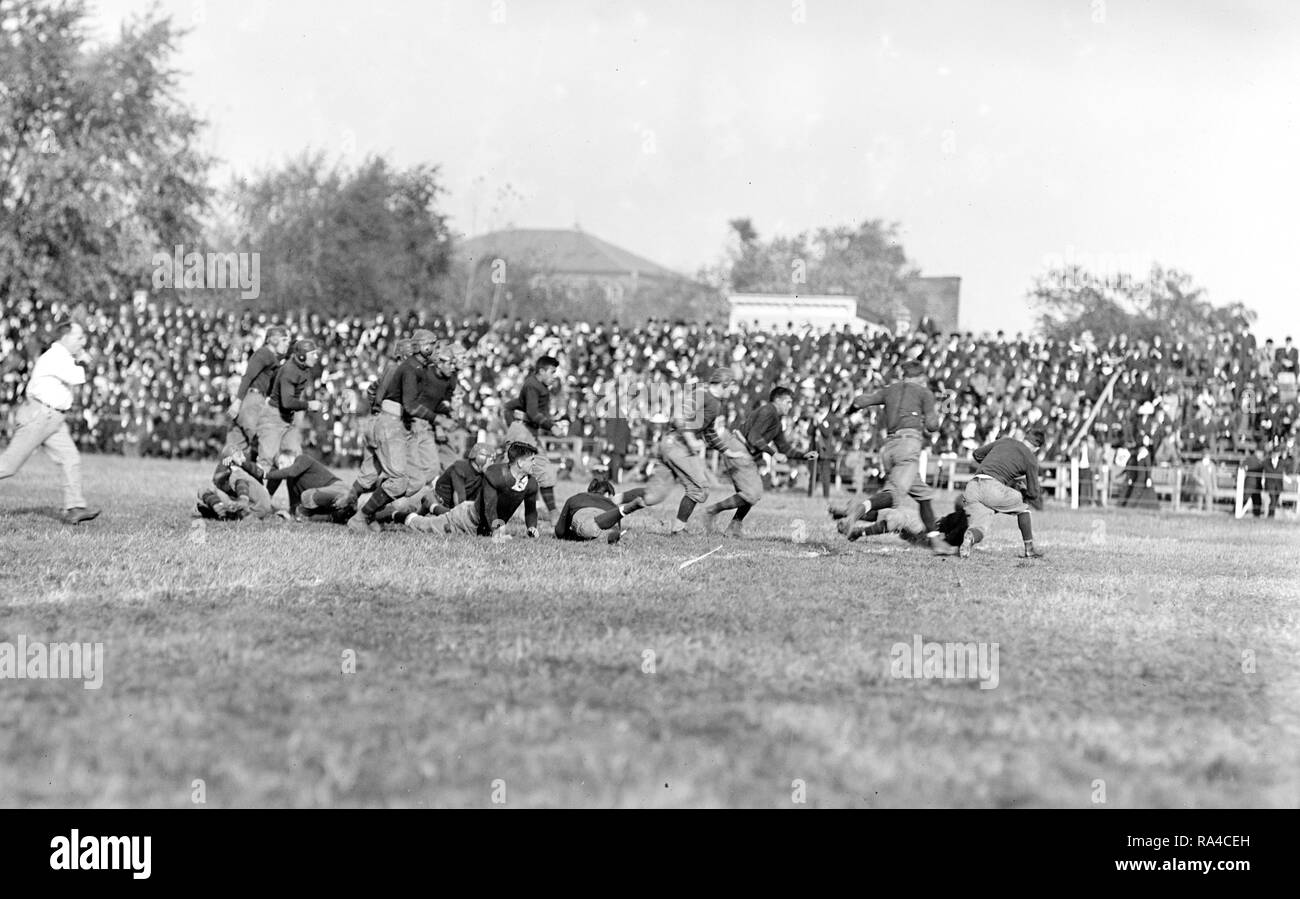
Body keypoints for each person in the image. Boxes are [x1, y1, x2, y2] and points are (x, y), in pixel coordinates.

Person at [0, 319, 100, 523]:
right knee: (8, 466)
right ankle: (75, 507)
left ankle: (75, 507)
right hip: (40, 416)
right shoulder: (56, 356)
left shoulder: (62, 356)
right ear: (65, 337)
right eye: (78, 337)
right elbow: (79, 377)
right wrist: (86, 358)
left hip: (52, 418)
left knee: (70, 458)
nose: (83, 341)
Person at [617, 367, 734, 535]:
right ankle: (678, 529)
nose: (733, 389)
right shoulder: (701, 394)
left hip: (676, 446)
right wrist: (690, 439)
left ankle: (611, 502)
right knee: (699, 488)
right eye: (732, 385)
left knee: (653, 497)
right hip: (677, 445)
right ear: (725, 383)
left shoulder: (715, 403)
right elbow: (679, 417)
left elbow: (709, 432)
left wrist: (726, 451)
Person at [840, 359, 940, 533]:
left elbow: (861, 401)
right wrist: (933, 420)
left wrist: (850, 410)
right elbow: (932, 425)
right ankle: (857, 511)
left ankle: (936, 540)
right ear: (921, 376)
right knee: (893, 495)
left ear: (904, 374)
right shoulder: (925, 393)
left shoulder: (889, 390)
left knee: (924, 496)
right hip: (908, 445)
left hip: (889, 449)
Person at [702, 385, 817, 537]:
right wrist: (773, 454)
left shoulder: (776, 419)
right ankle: (711, 511)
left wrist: (803, 455)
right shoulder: (768, 411)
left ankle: (733, 528)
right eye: (788, 402)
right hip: (739, 448)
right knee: (753, 493)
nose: (790, 406)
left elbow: (784, 447)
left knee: (751, 494)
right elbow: (754, 437)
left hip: (742, 450)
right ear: (778, 400)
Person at [400, 441, 540, 538]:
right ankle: (394, 515)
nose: (534, 463)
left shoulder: (531, 483)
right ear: (520, 463)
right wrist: (497, 529)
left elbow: (531, 510)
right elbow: (489, 507)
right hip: (466, 518)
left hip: (484, 525)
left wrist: (531, 527)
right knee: (423, 525)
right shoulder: (494, 474)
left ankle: (430, 508)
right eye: (532, 460)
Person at [959, 426, 1046, 559]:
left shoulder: (1005, 441)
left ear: (1025, 437)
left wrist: (995, 463)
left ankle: (970, 536)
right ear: (1037, 448)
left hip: (972, 486)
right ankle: (1029, 550)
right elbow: (1034, 494)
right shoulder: (1030, 458)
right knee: (1023, 507)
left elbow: (977, 454)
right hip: (992, 488)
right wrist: (1023, 490)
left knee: (981, 526)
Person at [503, 355, 565, 520]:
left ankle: (553, 514)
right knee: (509, 476)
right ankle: (488, 511)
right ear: (542, 371)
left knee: (545, 471)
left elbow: (510, 405)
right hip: (523, 433)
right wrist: (551, 426)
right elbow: (532, 413)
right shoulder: (532, 385)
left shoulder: (536, 386)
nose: (554, 376)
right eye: (552, 372)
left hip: (529, 432)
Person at [223, 325, 289, 459]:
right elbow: (248, 376)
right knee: (262, 444)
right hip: (252, 401)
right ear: (273, 340)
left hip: (249, 401)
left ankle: (225, 477)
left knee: (235, 447)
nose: (287, 343)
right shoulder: (263, 353)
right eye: (284, 340)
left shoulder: (272, 359)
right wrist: (237, 402)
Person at [260, 338, 322, 473]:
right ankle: (251, 493)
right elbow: (287, 402)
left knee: (292, 462)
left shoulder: (303, 368)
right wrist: (309, 405)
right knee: (266, 461)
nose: (316, 357)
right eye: (313, 354)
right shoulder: (290, 370)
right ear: (302, 355)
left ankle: (270, 493)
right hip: (274, 418)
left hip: (287, 418)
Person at [264, 449, 348, 520]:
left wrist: (266, 475)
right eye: (278, 466)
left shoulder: (302, 458)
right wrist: (288, 515)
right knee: (303, 512)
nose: (280, 468)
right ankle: (339, 515)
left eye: (281, 462)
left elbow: (291, 471)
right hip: (320, 500)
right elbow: (294, 505)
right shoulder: (291, 480)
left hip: (337, 489)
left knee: (307, 496)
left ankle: (346, 504)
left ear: (289, 456)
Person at [554, 477, 639, 543]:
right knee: (608, 532)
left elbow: (559, 531)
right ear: (607, 494)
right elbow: (616, 529)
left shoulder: (574, 499)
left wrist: (572, 536)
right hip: (603, 520)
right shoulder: (612, 505)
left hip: (585, 520)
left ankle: (598, 535)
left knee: (589, 529)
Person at [1262, 445, 1287, 517]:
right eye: (1274, 452)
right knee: (1272, 499)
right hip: (1270, 484)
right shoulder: (1267, 462)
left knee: (1275, 500)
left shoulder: (1282, 463)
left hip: (1278, 485)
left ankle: (1271, 514)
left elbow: (1283, 473)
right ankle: (1271, 515)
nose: (1275, 454)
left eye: (1277, 453)